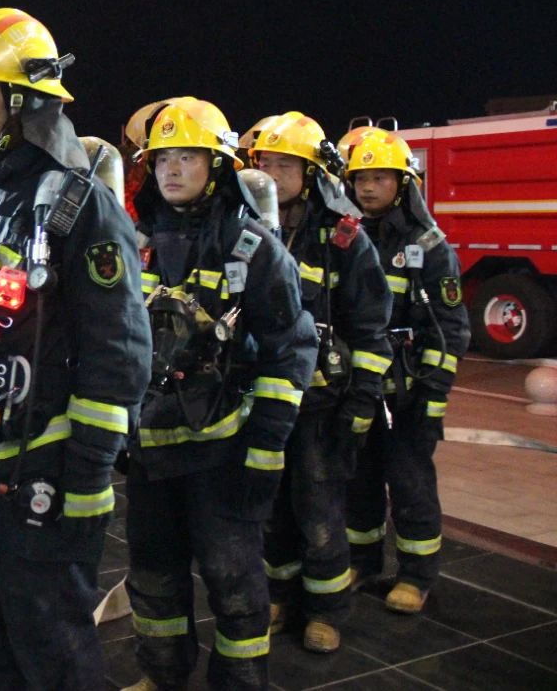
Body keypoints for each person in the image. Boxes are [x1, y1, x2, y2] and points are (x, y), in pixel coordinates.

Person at [0, 8, 151, 689]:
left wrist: (89, 474)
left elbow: (119, 349)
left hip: (46, 466)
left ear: (25, 100)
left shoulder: (79, 205)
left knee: (51, 641)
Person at [123, 97, 317, 691]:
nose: (171, 170)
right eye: (161, 159)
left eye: (187, 156)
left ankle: (239, 683)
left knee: (233, 581)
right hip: (150, 454)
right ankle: (163, 675)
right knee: (153, 577)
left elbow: (292, 349)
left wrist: (265, 449)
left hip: (222, 453)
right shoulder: (133, 245)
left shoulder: (253, 249)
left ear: (220, 167)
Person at [249, 113, 393, 653]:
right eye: (264, 162)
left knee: (320, 509)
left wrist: (360, 401)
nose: (272, 172)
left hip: (318, 401)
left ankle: (327, 610)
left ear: (310, 173)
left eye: (285, 164)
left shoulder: (342, 237)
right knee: (269, 507)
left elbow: (370, 325)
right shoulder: (247, 227)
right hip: (262, 397)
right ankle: (279, 595)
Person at [342, 128, 470, 614]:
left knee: (411, 482)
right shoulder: (346, 235)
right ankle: (362, 561)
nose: (368, 188)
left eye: (379, 178)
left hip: (408, 391)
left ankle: (416, 576)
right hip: (360, 385)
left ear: (404, 182)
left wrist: (432, 395)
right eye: (360, 179)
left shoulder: (429, 246)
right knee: (360, 480)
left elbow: (450, 329)